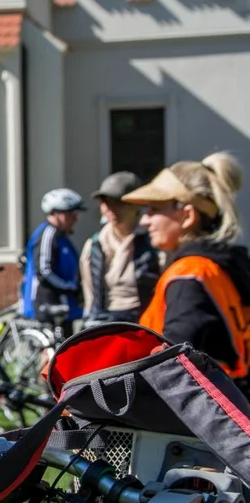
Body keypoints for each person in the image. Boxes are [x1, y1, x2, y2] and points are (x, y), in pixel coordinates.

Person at [124, 152, 250, 383]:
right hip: (233, 404)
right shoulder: (222, 266)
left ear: (187, 215)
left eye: (154, 209)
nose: (144, 220)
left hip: (204, 414)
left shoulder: (189, 273)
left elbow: (169, 365)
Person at [79, 172, 160, 325]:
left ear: (136, 204)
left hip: (146, 321)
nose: (110, 208)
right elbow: (90, 296)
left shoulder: (153, 240)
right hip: (107, 322)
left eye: (117, 202)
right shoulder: (95, 244)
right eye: (105, 202)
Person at [21, 188, 86, 336]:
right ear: (58, 214)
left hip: (63, 308)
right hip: (48, 305)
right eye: (72, 213)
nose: (76, 218)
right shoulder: (48, 233)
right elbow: (44, 271)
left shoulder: (61, 236)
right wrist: (69, 287)